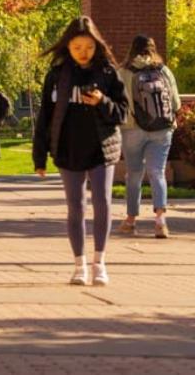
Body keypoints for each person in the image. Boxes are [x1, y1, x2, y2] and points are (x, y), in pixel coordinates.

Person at [33, 16, 128, 287]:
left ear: (96, 45)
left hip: (101, 148)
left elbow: (122, 113)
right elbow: (45, 117)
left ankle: (100, 263)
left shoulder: (109, 73)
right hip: (68, 149)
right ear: (68, 47)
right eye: (77, 48)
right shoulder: (57, 75)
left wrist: (102, 101)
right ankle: (79, 265)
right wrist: (39, 157)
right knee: (76, 206)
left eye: (88, 47)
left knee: (103, 203)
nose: (83, 53)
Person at [117, 35, 181, 239]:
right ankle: (160, 221)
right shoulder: (164, 71)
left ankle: (130, 220)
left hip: (132, 129)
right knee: (157, 172)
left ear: (132, 50)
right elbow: (176, 103)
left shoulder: (124, 72)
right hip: (162, 130)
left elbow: (118, 103)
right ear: (153, 49)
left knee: (134, 174)